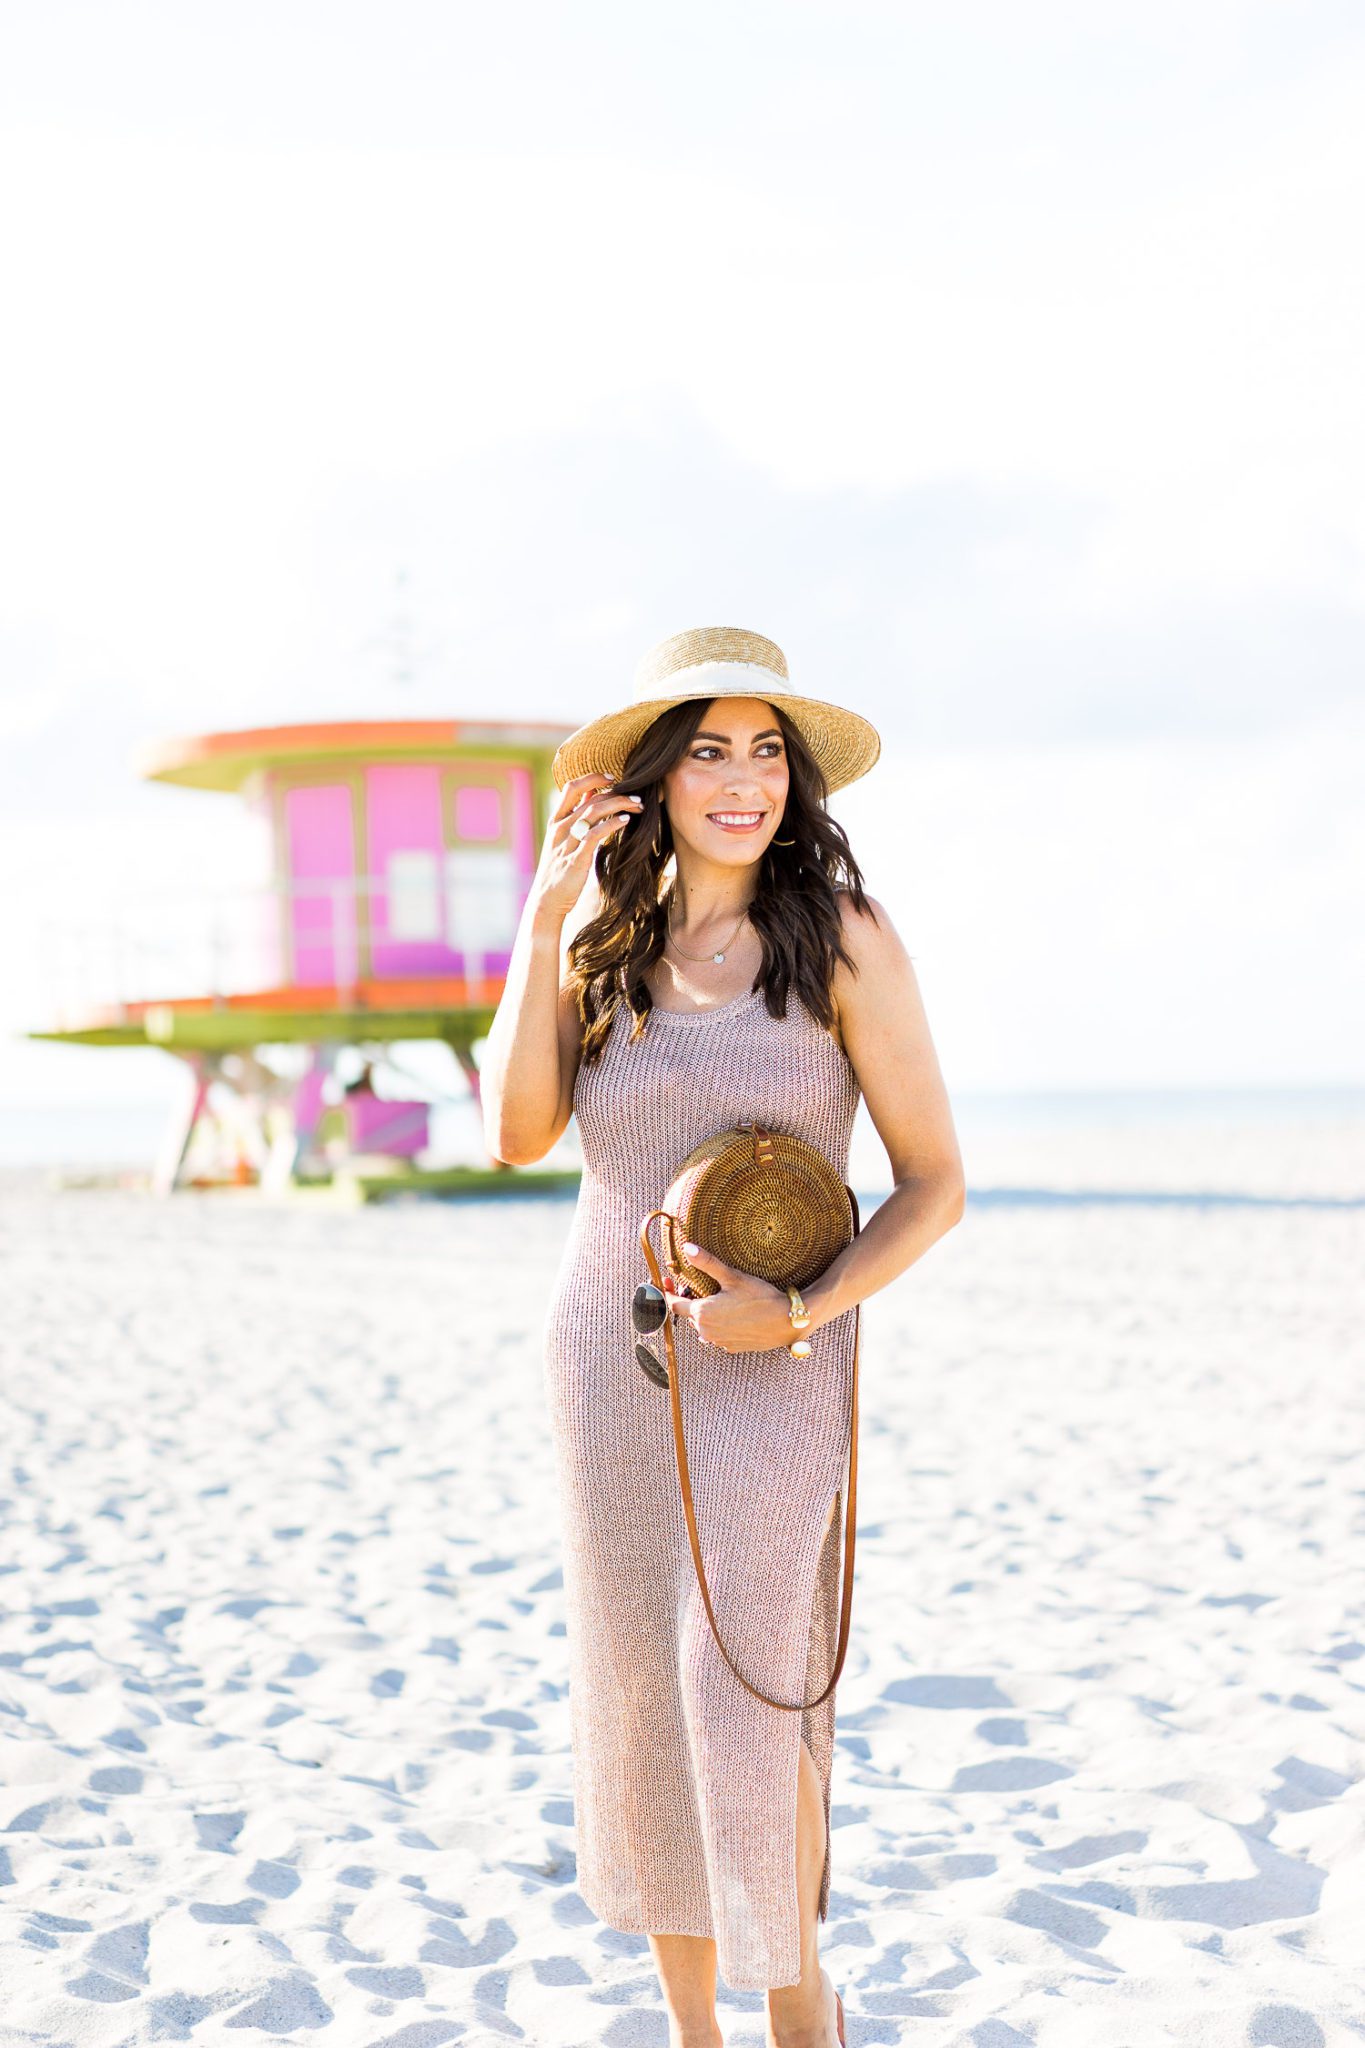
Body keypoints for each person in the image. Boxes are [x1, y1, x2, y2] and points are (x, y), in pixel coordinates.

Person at [481, 625, 964, 2048]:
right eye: (708, 748)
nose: (741, 779)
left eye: (766, 751)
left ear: (795, 781)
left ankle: (795, 2007)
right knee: (640, 1689)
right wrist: (538, 918)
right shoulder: (597, 938)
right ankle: (696, 2033)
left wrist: (798, 1311)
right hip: (604, 1354)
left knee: (741, 1684)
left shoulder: (845, 937)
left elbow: (935, 1184)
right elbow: (515, 1138)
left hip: (777, 1359)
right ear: (656, 774)